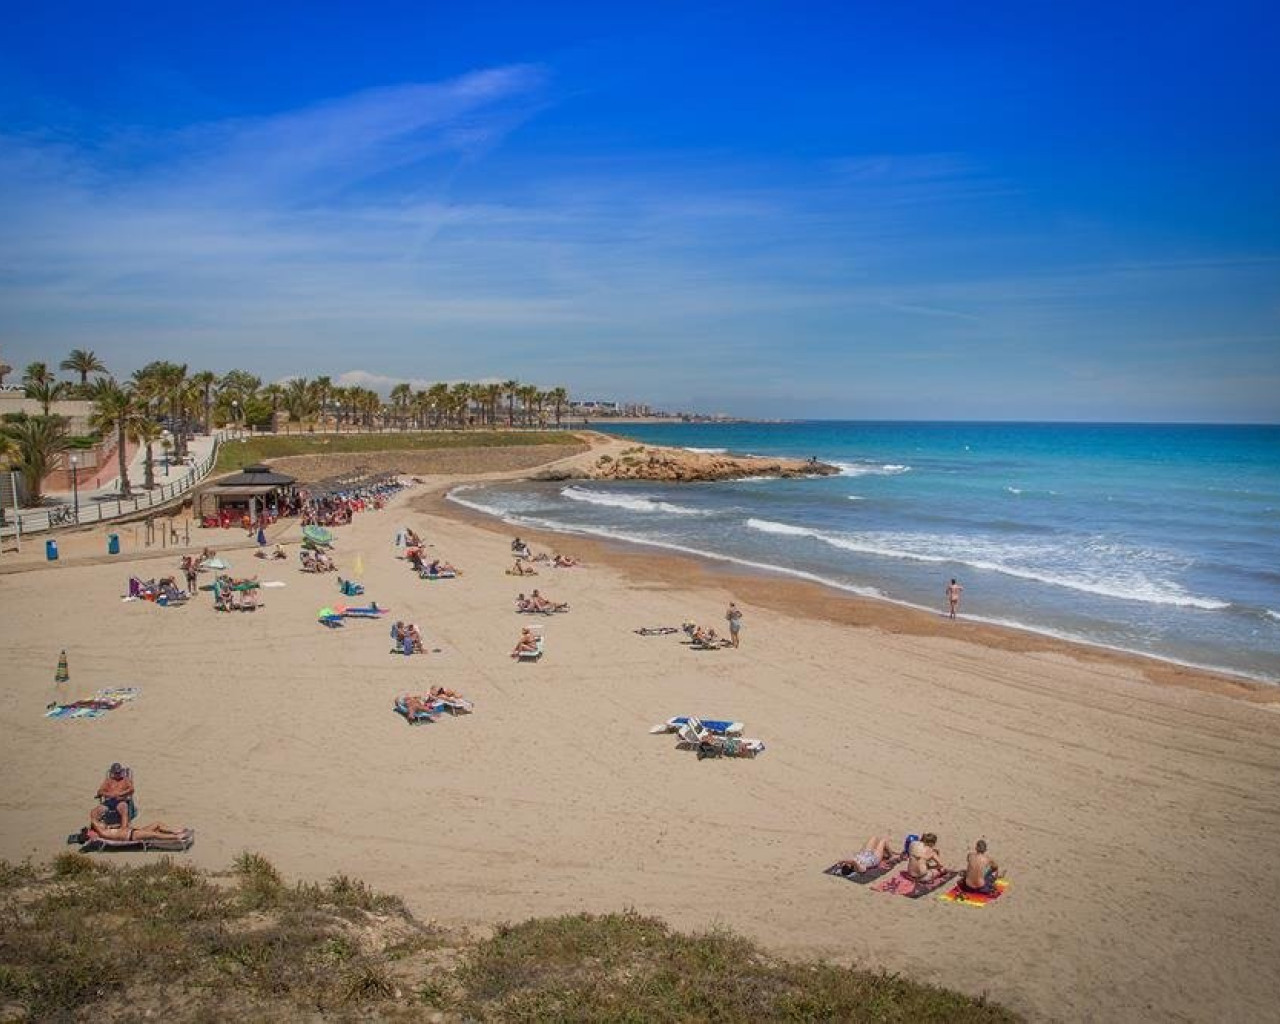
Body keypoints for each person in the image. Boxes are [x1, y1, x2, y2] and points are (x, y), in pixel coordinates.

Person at [88, 804, 190, 844]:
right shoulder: (103, 832)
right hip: (132, 836)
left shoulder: (108, 829)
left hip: (135, 831)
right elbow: (93, 819)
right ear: (97, 828)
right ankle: (176, 837)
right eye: (100, 823)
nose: (102, 823)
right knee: (155, 834)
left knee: (157, 824)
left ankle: (175, 831)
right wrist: (95, 820)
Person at [835, 835, 900, 874]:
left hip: (865, 853)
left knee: (874, 837)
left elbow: (849, 862)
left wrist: (840, 864)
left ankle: (888, 852)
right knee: (883, 841)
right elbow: (853, 861)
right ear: (850, 868)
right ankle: (892, 856)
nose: (846, 863)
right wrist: (842, 861)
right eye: (847, 865)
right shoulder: (859, 869)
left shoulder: (851, 864)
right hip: (874, 858)